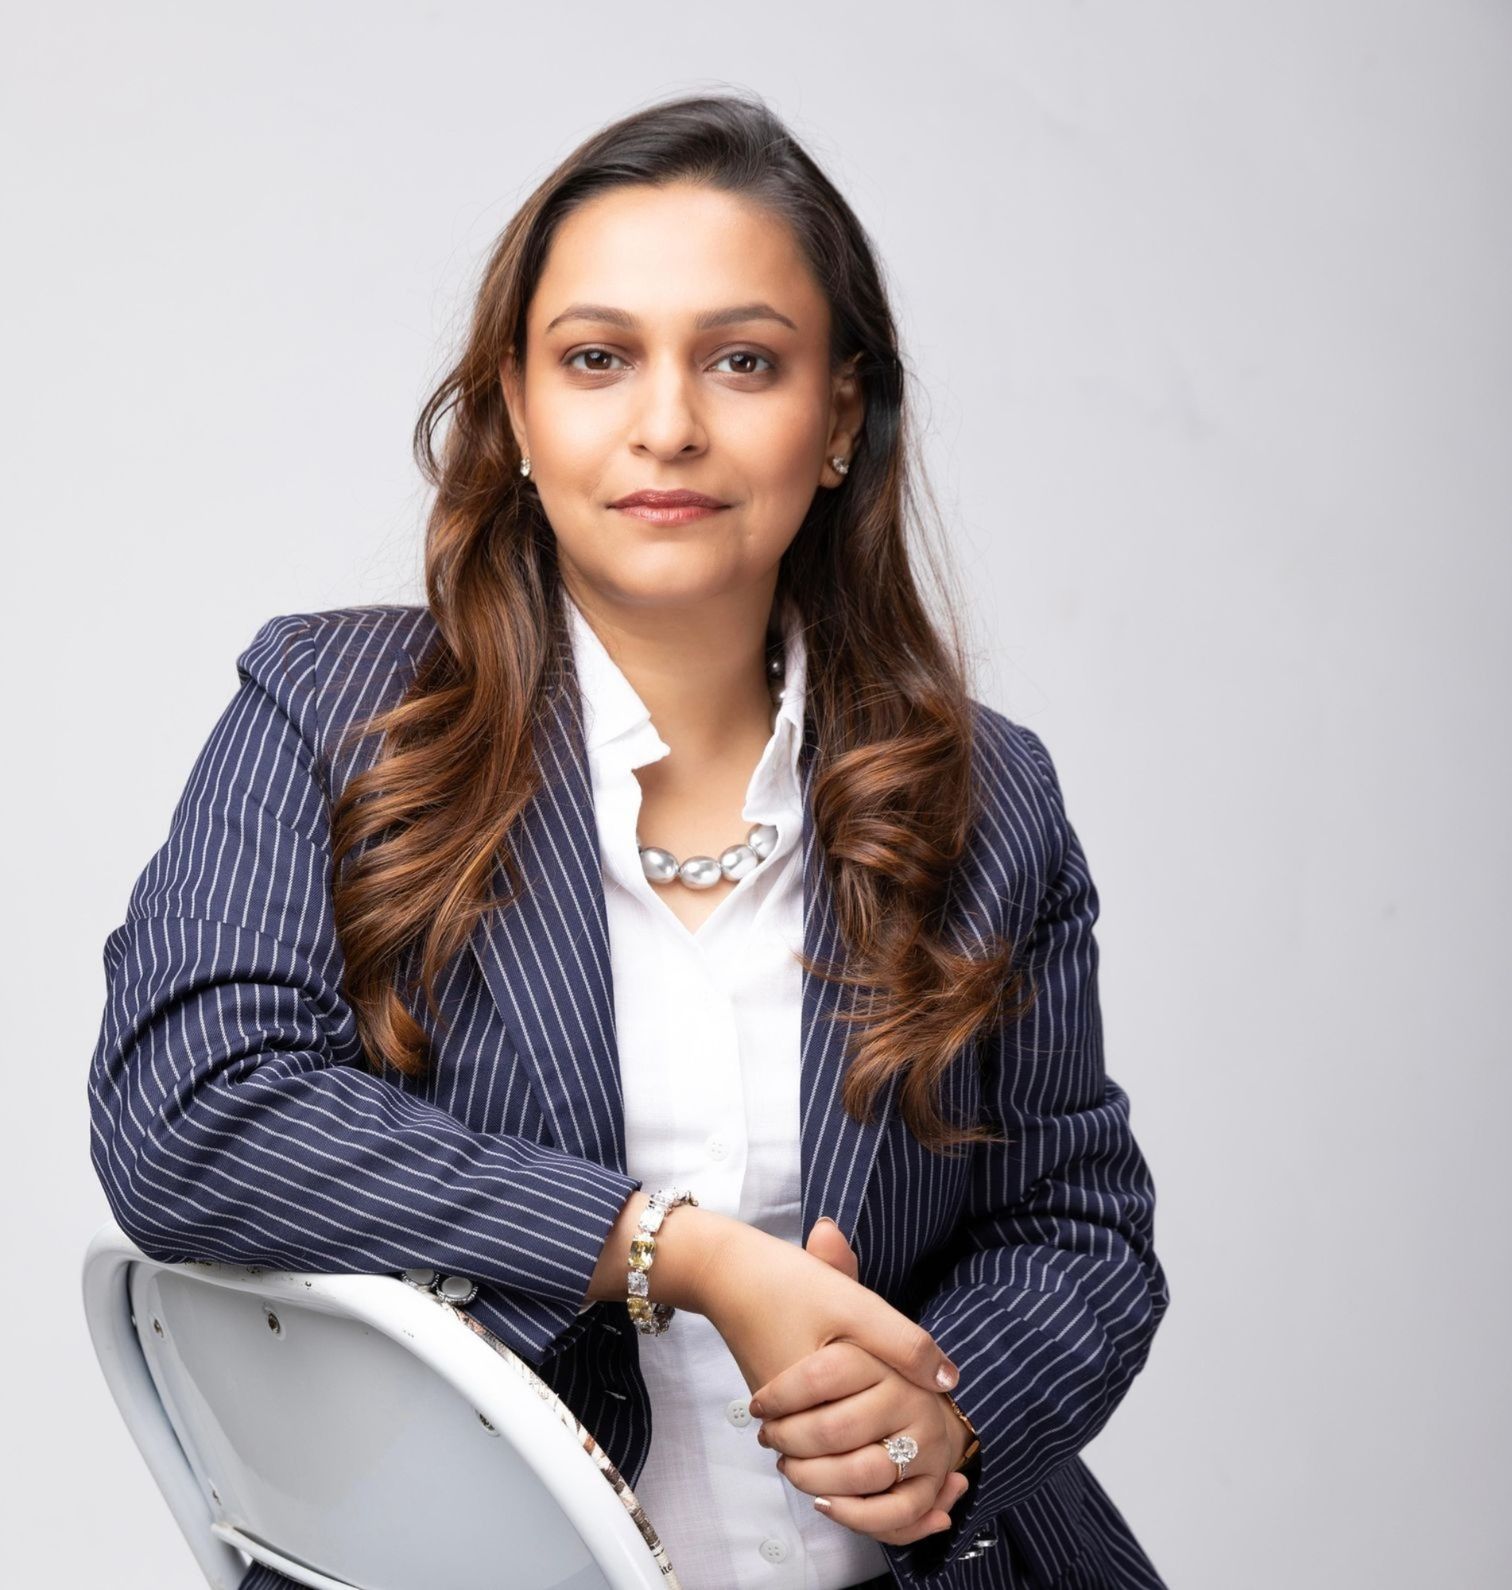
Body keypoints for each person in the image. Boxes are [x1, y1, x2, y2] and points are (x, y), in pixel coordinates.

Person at [87, 90, 1171, 1590]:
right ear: (518, 413)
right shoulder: (330, 714)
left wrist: (946, 1417)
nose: (668, 423)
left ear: (839, 418)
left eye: (744, 360)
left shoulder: (990, 793)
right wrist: (680, 1250)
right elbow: (192, 1112)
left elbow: (1079, 1222)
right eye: (598, 358)